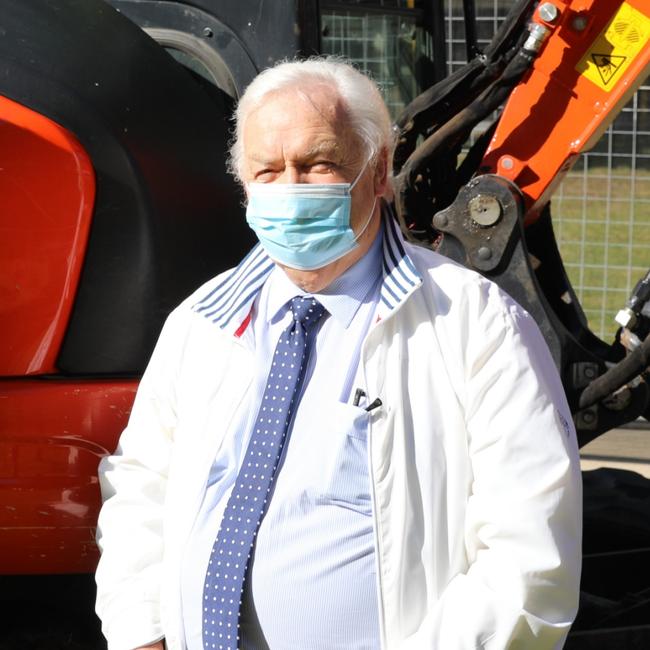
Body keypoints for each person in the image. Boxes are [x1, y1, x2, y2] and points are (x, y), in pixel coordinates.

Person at [95, 57, 582, 650]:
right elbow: (141, 489)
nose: (291, 191)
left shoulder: (476, 325)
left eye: (317, 164)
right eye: (268, 171)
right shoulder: (202, 324)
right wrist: (141, 631)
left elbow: (529, 556)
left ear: (378, 172)